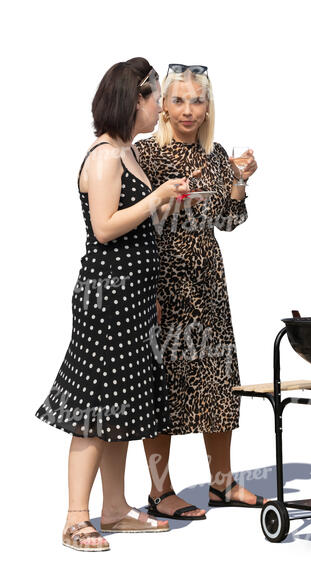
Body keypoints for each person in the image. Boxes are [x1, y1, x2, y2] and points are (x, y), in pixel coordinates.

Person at [35, 58, 189, 551]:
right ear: (135, 100)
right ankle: (75, 518)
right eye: (156, 98)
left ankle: (116, 509)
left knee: (120, 401)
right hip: (107, 298)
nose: (161, 107)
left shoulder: (127, 154)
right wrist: (156, 198)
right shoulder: (104, 155)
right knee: (93, 406)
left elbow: (134, 219)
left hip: (135, 297)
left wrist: (167, 201)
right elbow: (104, 226)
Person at [135, 64, 265, 520]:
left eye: (197, 101)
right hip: (161, 281)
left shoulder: (215, 156)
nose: (188, 110)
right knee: (164, 387)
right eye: (178, 100)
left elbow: (229, 222)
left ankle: (222, 483)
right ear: (163, 106)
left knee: (218, 381)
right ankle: (159, 490)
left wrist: (239, 180)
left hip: (207, 281)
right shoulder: (144, 154)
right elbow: (128, 221)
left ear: (208, 106)